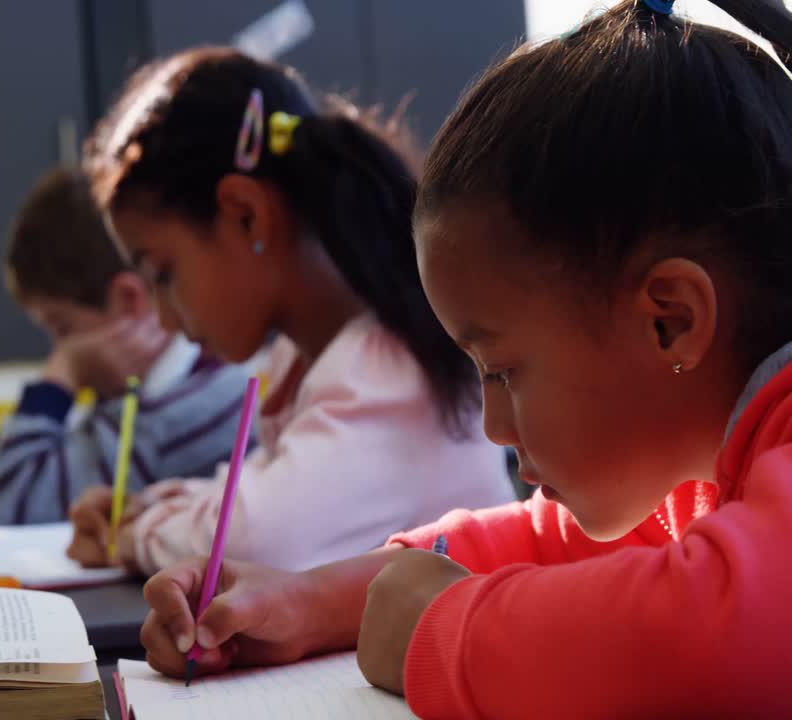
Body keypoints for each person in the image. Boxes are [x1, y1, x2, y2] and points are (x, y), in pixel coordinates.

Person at [138, 2, 792, 717]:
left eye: (505, 371)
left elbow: (725, 637)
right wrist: (306, 603)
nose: (494, 429)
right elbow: (543, 541)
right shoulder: (695, 463)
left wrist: (443, 632)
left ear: (670, 321)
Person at [67, 48, 512, 573]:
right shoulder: (311, 356)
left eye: (164, 274)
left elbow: (256, 541)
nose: (165, 320)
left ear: (247, 216)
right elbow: (256, 491)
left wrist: (132, 534)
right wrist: (147, 509)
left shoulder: (385, 371)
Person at [0, 167, 250, 525]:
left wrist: (62, 374)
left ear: (128, 300)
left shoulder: (184, 412)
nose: (60, 348)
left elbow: (4, 501)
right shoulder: (146, 395)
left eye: (63, 327)